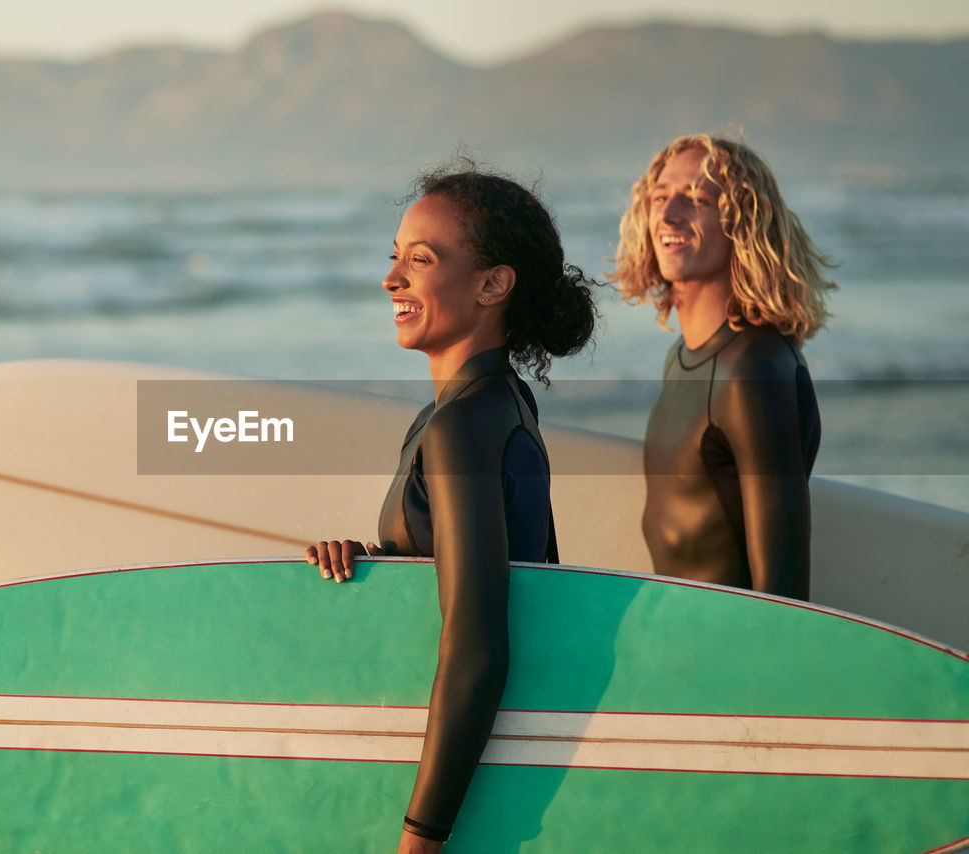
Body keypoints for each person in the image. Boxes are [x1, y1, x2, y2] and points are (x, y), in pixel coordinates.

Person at [306, 166, 597, 852]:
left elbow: (478, 647)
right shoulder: (491, 403)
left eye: (421, 260)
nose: (392, 279)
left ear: (493, 285)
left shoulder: (464, 424)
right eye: (395, 259)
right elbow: (493, 569)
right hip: (485, 759)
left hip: (467, 783)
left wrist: (421, 836)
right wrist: (379, 567)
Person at [612, 134, 836, 599]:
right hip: (680, 640)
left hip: (726, 653)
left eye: (697, 198)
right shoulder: (682, 357)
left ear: (744, 224)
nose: (669, 214)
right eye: (660, 197)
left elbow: (784, 588)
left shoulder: (754, 367)